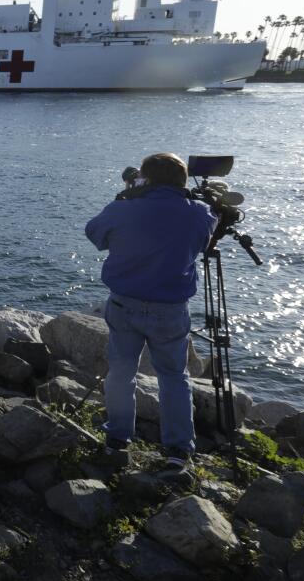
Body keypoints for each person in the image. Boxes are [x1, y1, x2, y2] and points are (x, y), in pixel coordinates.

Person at [85, 152, 218, 473]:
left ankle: (117, 438)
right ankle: (177, 450)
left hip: (124, 304)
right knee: (174, 377)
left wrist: (128, 195)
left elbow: (95, 234)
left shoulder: (122, 209)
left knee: (121, 371)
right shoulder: (199, 214)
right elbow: (207, 237)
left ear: (146, 178)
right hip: (170, 310)